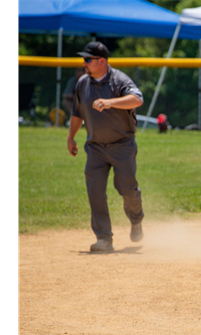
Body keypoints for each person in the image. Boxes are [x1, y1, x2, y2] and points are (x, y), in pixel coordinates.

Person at [66, 41, 145, 253]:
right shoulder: (82, 83)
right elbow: (77, 113)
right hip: (95, 148)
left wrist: (111, 102)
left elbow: (137, 99)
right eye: (84, 59)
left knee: (127, 189)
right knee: (95, 191)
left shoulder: (119, 80)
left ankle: (136, 219)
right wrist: (71, 137)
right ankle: (103, 238)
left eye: (88, 59)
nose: (84, 63)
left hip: (122, 145)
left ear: (102, 61)